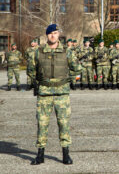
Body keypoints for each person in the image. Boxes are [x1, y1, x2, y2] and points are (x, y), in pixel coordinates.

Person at [28, 24, 82, 165]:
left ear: (59, 35)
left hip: (61, 94)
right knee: (42, 124)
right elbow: (31, 70)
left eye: (56, 33)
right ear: (47, 35)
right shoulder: (38, 52)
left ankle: (66, 154)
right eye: (51, 33)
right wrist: (38, 81)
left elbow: (77, 68)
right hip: (44, 94)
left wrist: (68, 79)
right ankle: (40, 155)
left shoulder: (67, 52)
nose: (53, 35)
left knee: (63, 123)